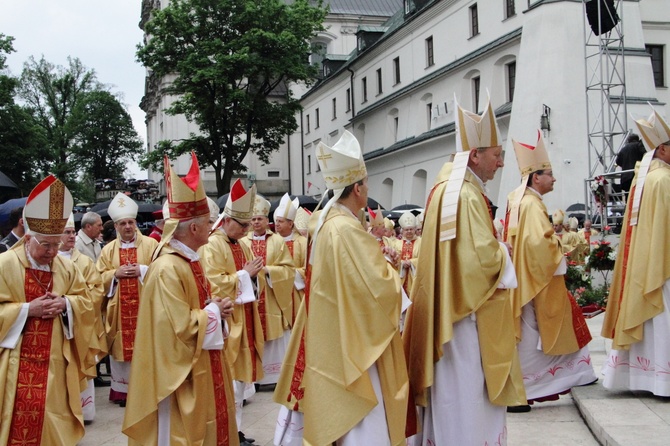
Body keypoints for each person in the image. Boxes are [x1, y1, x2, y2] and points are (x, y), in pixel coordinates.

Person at [403, 97, 525, 445]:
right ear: (475, 154)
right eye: (497, 155)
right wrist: (504, 251)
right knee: (467, 388)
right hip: (465, 317)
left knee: (453, 389)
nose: (501, 163)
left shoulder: (448, 188)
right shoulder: (465, 195)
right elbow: (478, 261)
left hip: (449, 310)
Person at [123, 153, 240, 445]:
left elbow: (199, 307)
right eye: (209, 223)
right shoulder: (167, 268)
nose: (213, 229)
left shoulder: (190, 260)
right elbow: (174, 330)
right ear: (196, 228)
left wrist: (217, 309)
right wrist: (214, 311)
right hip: (179, 376)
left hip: (203, 362)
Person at [304, 130, 408, 444]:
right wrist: (392, 269)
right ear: (358, 188)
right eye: (367, 183)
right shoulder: (346, 229)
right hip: (359, 340)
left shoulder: (328, 224)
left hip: (338, 333)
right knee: (367, 419)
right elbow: (378, 289)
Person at [0, 175, 96, 444]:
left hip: (56, 363)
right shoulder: (5, 264)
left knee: (53, 423)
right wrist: (26, 310)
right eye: (46, 244)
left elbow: (87, 303)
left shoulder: (66, 267)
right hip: (13, 366)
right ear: (28, 237)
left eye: (57, 244)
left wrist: (67, 304)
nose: (53, 251)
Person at [505, 131, 596, 410]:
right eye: (549, 173)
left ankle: (572, 374)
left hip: (526, 279)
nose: (554, 178)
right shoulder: (531, 205)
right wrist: (557, 247)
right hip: (537, 281)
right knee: (535, 336)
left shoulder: (520, 200)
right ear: (535, 177)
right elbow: (537, 245)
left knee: (538, 332)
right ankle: (527, 387)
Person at [601, 107, 670, 396]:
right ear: (664, 149)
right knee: (663, 320)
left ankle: (646, 378)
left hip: (644, 261)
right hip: (662, 262)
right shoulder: (664, 180)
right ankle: (662, 381)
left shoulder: (643, 179)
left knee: (652, 321)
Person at [201, 179, 263, 445]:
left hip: (244, 321)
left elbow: (251, 276)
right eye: (242, 225)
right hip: (227, 325)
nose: (247, 229)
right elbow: (213, 282)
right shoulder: (213, 245)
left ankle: (236, 431)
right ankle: (226, 433)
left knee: (239, 384)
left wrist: (253, 278)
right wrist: (245, 276)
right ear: (226, 221)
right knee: (228, 382)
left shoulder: (242, 243)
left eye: (248, 224)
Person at [97, 192, 159, 407]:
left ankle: (146, 389)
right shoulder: (107, 250)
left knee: (146, 347)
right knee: (121, 349)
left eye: (131, 222)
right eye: (122, 223)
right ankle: (123, 392)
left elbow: (162, 271)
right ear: (115, 226)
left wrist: (142, 270)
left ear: (136, 224)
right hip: (119, 309)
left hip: (145, 307)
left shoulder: (151, 245)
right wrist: (115, 275)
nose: (127, 227)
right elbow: (98, 278)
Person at [59, 213, 108, 424]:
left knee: (81, 365)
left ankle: (84, 412)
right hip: (57, 326)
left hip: (80, 323)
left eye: (72, 232)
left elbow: (97, 289)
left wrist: (70, 303)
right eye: (67, 232)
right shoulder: (49, 260)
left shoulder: (84, 261)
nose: (71, 236)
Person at [240, 195, 295, 386]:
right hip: (250, 296)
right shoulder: (242, 242)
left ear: (267, 220)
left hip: (271, 296)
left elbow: (288, 269)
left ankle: (272, 377)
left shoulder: (278, 241)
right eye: (253, 219)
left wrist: (267, 271)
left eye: (260, 219)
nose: (256, 222)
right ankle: (252, 378)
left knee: (272, 333)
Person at [273, 193, 308, 326]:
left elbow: (308, 270)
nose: (277, 224)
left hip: (296, 293)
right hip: (275, 292)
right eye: (276, 220)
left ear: (291, 223)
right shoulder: (272, 241)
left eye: (280, 221)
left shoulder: (302, 242)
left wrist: (286, 274)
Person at [393, 211, 421, 296]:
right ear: (402, 231)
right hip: (400, 278)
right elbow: (393, 259)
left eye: (411, 229)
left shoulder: (421, 242)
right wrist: (401, 263)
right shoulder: (396, 243)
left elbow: (424, 258)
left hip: (415, 279)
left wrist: (412, 262)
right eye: (406, 229)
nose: (409, 231)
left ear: (415, 230)